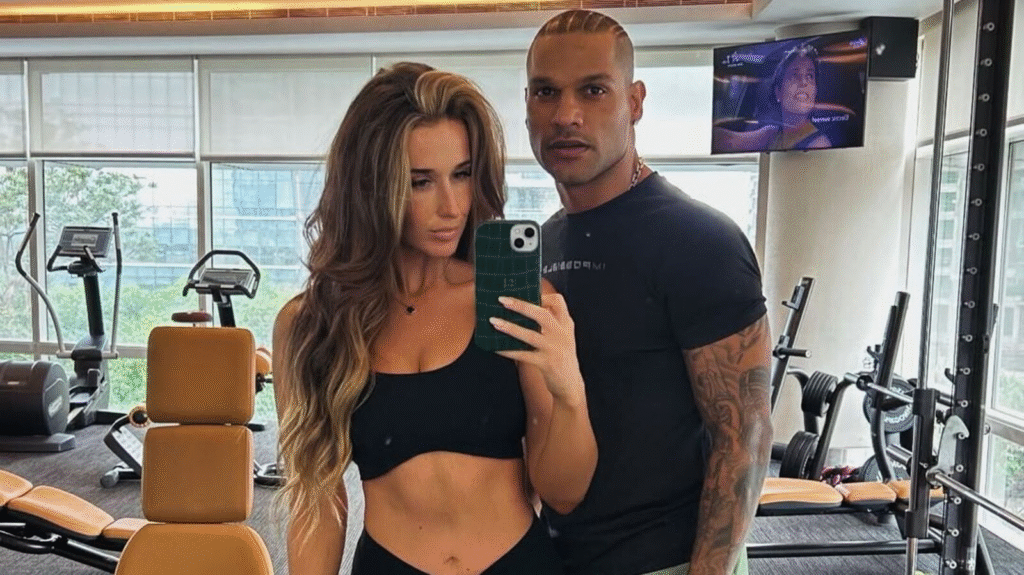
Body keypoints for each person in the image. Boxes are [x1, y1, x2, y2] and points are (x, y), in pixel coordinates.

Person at [272, 62, 597, 575]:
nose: (451, 206)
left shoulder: (515, 299)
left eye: (462, 175)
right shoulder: (311, 324)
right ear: (370, 188)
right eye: (420, 182)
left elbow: (565, 494)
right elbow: (316, 500)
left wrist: (569, 391)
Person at [525, 10, 774, 575]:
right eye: (546, 92)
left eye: (593, 90)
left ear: (634, 102)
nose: (565, 115)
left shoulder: (699, 239)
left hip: (667, 562)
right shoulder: (542, 244)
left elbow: (744, 435)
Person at [711, 43, 831, 153]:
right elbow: (725, 140)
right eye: (794, 75)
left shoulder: (820, 143)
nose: (804, 82)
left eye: (810, 76)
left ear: (815, 91)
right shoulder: (772, 134)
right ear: (778, 92)